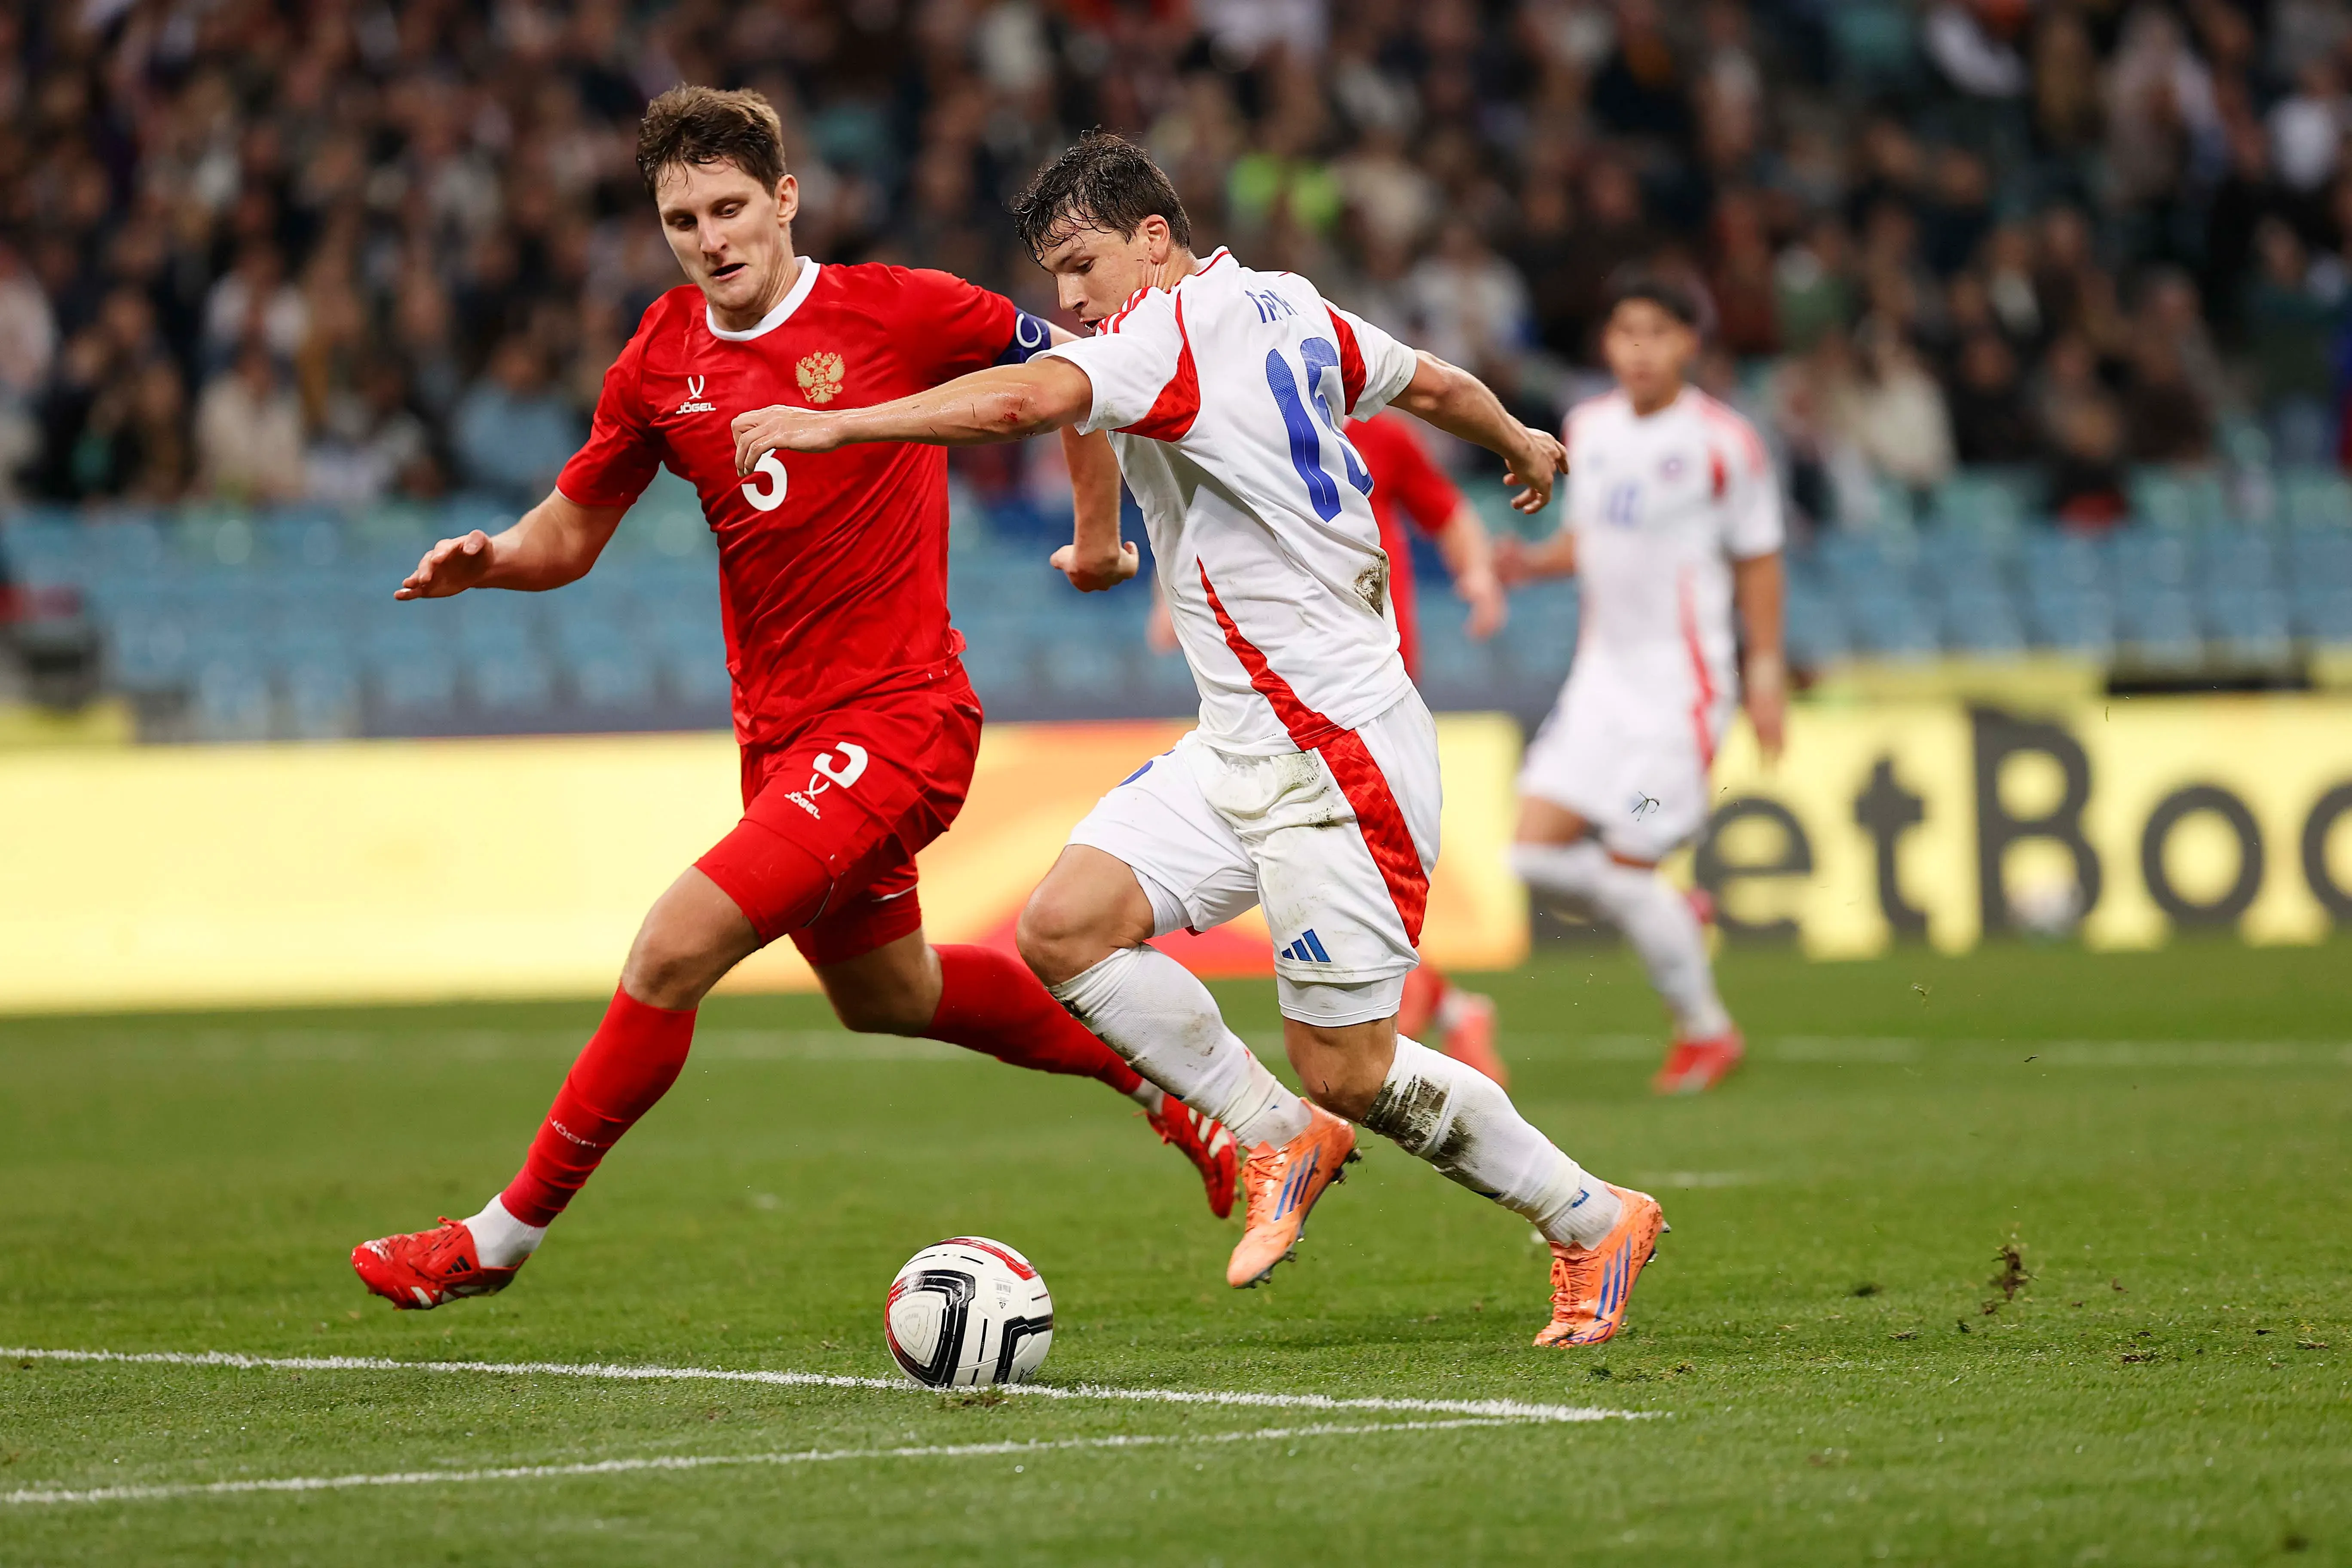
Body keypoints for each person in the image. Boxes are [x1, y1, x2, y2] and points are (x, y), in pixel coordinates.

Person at [732, 133, 1666, 1349]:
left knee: (1350, 1064)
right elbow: (1429, 381)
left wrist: (840, 427)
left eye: (1082, 264)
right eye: (1053, 273)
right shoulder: (1284, 303)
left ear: (1154, 241)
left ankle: (1590, 1216)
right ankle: (1278, 1138)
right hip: (1242, 741)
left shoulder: (1167, 336)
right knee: (1065, 925)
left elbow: (1034, 396)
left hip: (1337, 750)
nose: (1066, 297)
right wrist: (1518, 441)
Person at [351, 90, 1237, 1313]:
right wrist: (493, 559)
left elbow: (1076, 374)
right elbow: (569, 532)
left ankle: (497, 1240)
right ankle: (1177, 1093)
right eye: (682, 220)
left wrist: (1097, 538)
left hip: (903, 719)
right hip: (781, 739)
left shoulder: (897, 308)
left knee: (671, 951)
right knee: (893, 996)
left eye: (728, 209)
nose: (711, 239)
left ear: (783, 201)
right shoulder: (660, 357)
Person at [1144, 408, 1511, 1085]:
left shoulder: (1380, 432)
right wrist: (1172, 602)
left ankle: (1441, 1005)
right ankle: (1453, 1006)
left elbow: (1447, 510)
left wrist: (1479, 575)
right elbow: (1214, 527)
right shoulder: (1239, 416)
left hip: (1364, 683)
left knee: (1352, 867)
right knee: (1344, 869)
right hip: (1275, 689)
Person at [1496, 278, 1787, 1095]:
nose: (1639, 349)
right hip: (1601, 685)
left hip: (1679, 693)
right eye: (1626, 333)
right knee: (1531, 856)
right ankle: (1665, 911)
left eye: (1657, 333)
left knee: (1628, 863)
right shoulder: (1586, 430)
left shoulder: (1726, 443)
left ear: (1689, 344)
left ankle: (1706, 1032)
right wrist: (1529, 564)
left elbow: (1760, 558)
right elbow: (1587, 542)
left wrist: (1764, 672)